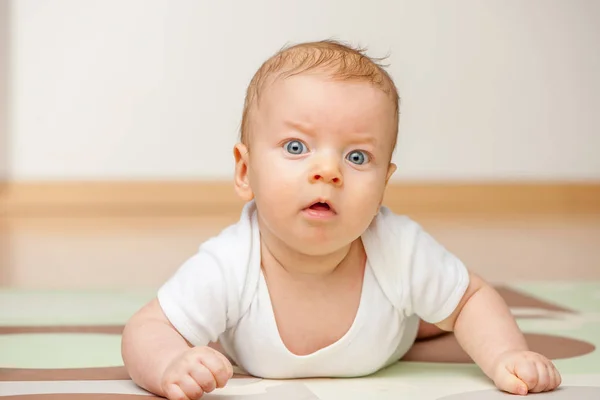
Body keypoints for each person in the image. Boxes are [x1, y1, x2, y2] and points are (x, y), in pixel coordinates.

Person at [121, 40, 561, 400]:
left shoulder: (397, 247)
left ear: (384, 185)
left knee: (446, 304)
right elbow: (149, 328)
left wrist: (507, 355)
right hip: (385, 309)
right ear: (244, 171)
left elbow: (472, 298)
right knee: (425, 300)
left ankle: (422, 311)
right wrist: (169, 366)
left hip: (390, 323)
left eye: (357, 157)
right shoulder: (231, 262)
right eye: (296, 147)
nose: (327, 171)